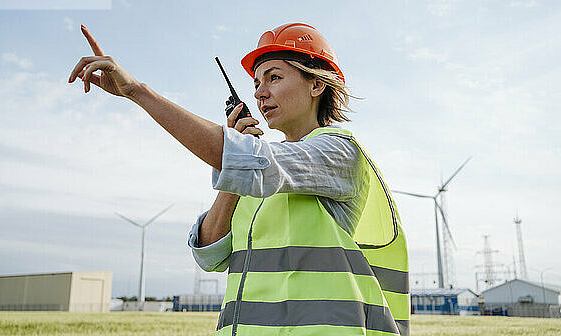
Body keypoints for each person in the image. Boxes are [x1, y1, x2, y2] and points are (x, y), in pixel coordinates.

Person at [69, 22, 409, 335]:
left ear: (316, 83)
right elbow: (210, 254)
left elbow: (255, 161)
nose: (260, 93)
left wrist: (137, 91)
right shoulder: (260, 170)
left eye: (274, 77)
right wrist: (234, 174)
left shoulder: (337, 151)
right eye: (257, 82)